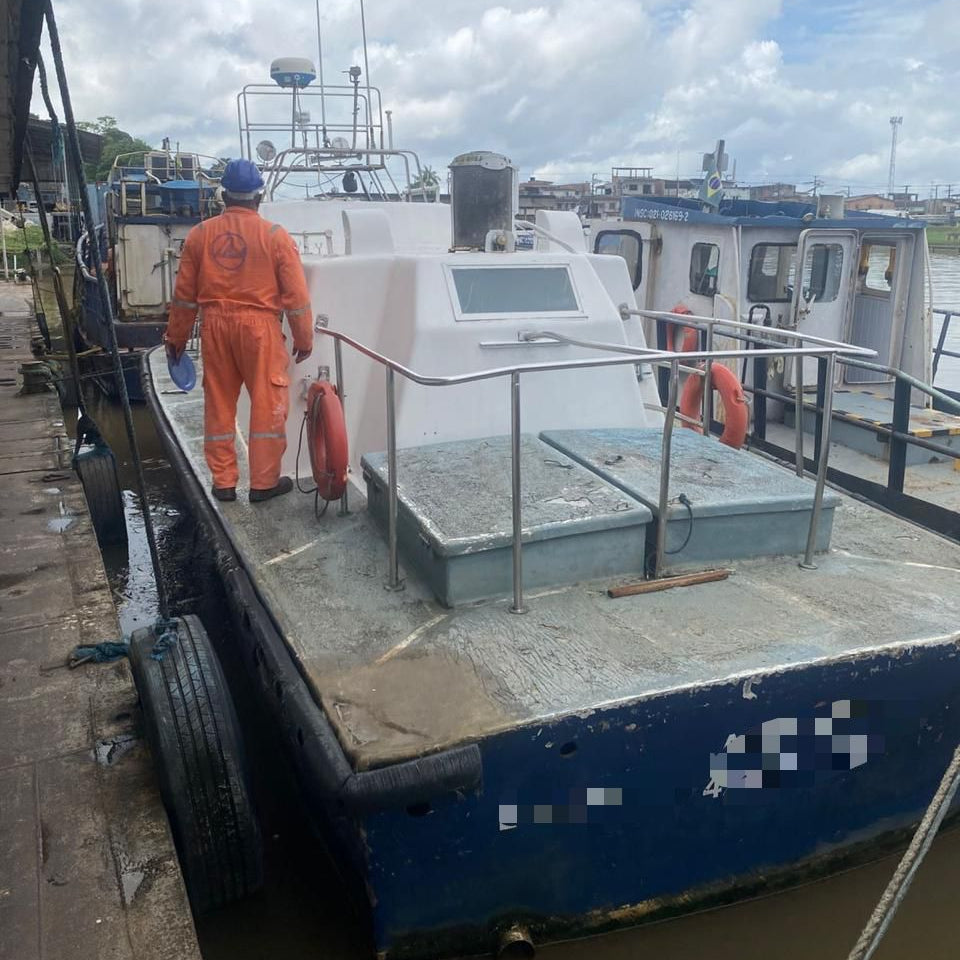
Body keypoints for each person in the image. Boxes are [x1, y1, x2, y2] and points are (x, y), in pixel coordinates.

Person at [163, 159, 314, 503]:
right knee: (267, 406)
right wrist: (304, 338)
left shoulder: (200, 235)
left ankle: (223, 482)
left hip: (215, 328)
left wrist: (176, 340)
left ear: (223, 195)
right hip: (260, 330)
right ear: (259, 196)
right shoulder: (275, 236)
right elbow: (296, 297)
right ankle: (263, 483)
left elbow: (184, 297)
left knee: (218, 405)